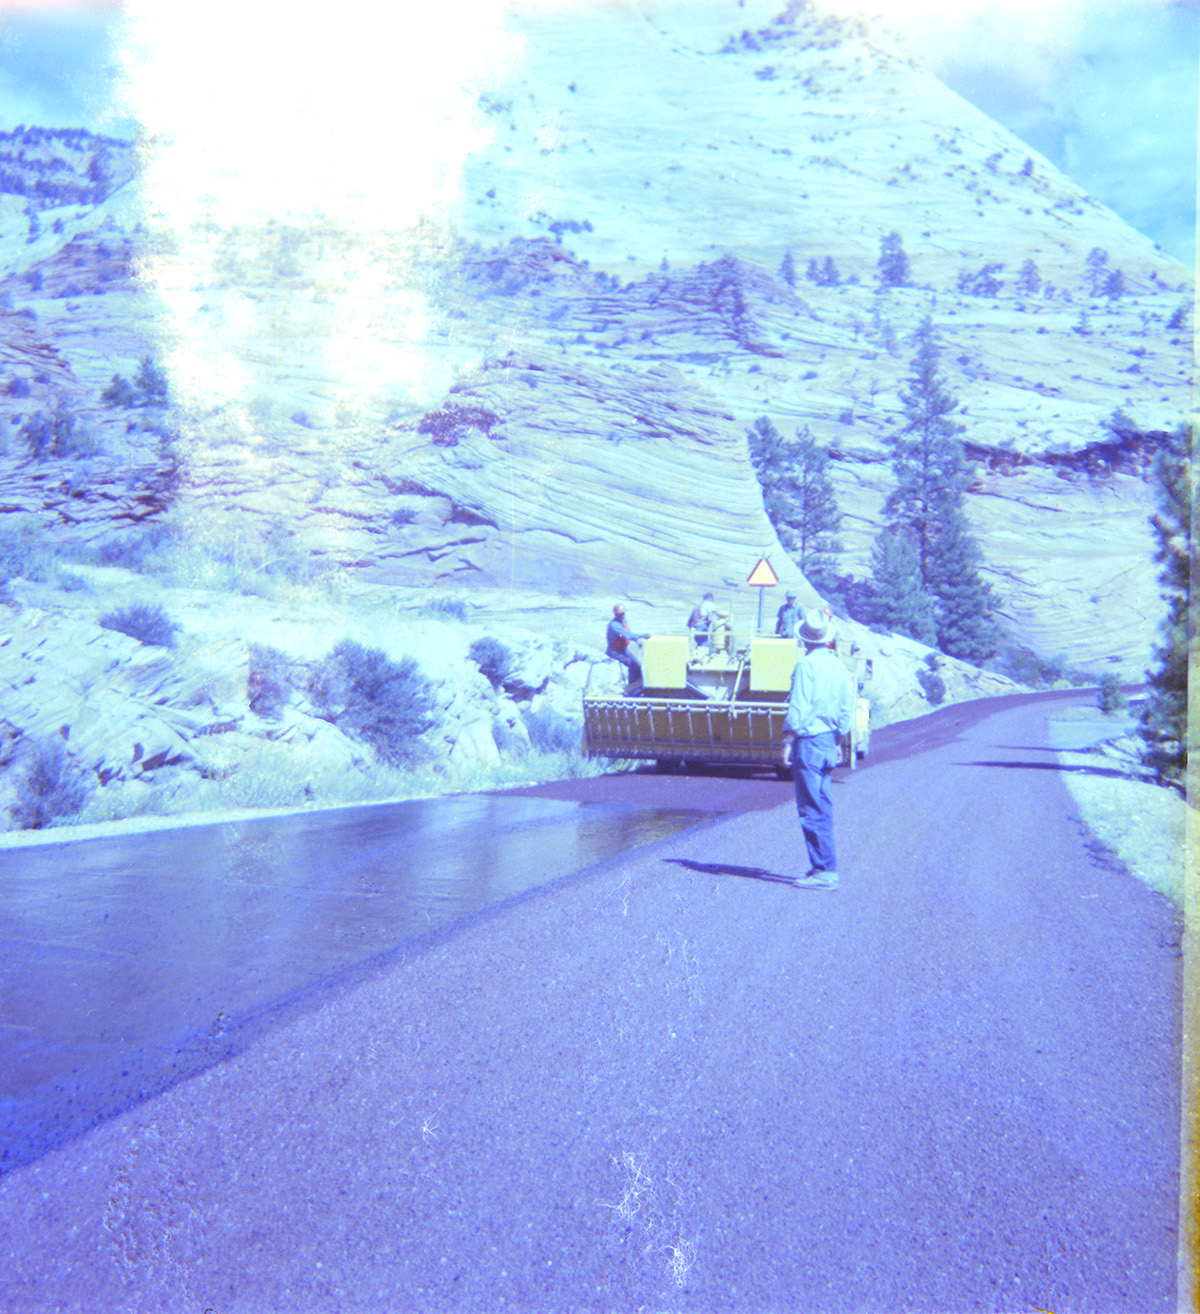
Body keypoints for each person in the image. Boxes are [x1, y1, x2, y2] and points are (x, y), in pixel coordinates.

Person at [779, 607, 853, 889]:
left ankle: (824, 871)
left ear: (804, 639)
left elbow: (798, 706)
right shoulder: (838, 666)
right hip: (828, 740)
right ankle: (823, 866)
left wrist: (787, 742)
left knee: (810, 807)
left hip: (809, 743)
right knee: (823, 804)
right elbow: (845, 709)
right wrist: (837, 742)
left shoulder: (805, 665)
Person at [606, 603, 649, 689]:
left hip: (623, 649)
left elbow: (629, 634)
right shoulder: (614, 625)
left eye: (623, 613)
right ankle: (631, 688)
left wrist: (636, 640)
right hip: (614, 651)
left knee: (638, 665)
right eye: (620, 614)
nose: (622, 615)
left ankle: (638, 686)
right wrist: (641, 635)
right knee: (631, 664)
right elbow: (627, 635)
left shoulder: (624, 622)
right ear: (616, 614)